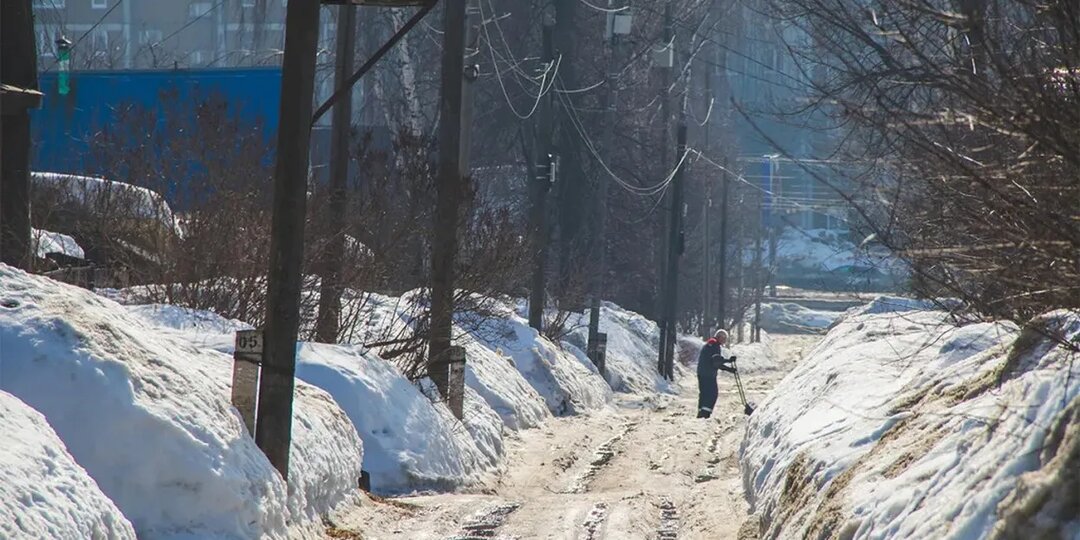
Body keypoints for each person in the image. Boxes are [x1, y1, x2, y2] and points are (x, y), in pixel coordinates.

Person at [697, 329, 736, 419]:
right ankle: (705, 414)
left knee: (704, 393)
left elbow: (715, 360)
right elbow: (716, 362)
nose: (725, 341)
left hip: (702, 372)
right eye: (724, 338)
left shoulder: (710, 344)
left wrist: (728, 361)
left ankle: (701, 412)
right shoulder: (715, 345)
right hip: (708, 374)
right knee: (712, 393)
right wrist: (730, 369)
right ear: (720, 337)